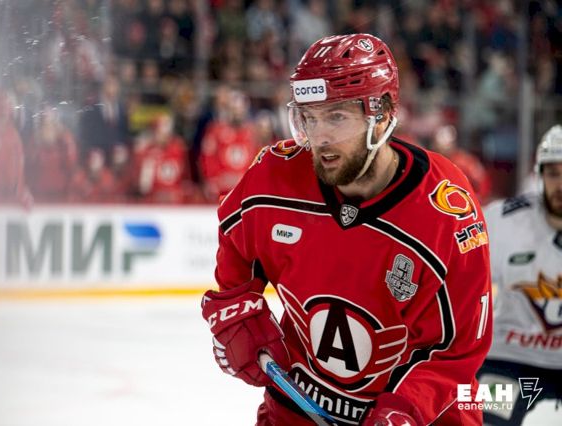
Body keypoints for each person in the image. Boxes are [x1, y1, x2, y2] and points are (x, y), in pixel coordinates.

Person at [200, 34, 493, 426]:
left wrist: (405, 410)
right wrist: (237, 310)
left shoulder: (444, 209)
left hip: (425, 415)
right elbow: (236, 236)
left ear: (382, 112)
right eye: (309, 117)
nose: (319, 137)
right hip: (299, 404)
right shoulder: (274, 177)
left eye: (336, 116)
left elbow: (457, 349)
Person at [477, 124, 562, 425]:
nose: (560, 184)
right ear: (539, 175)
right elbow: (458, 281)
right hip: (509, 359)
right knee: (475, 414)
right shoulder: (503, 220)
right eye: (553, 174)